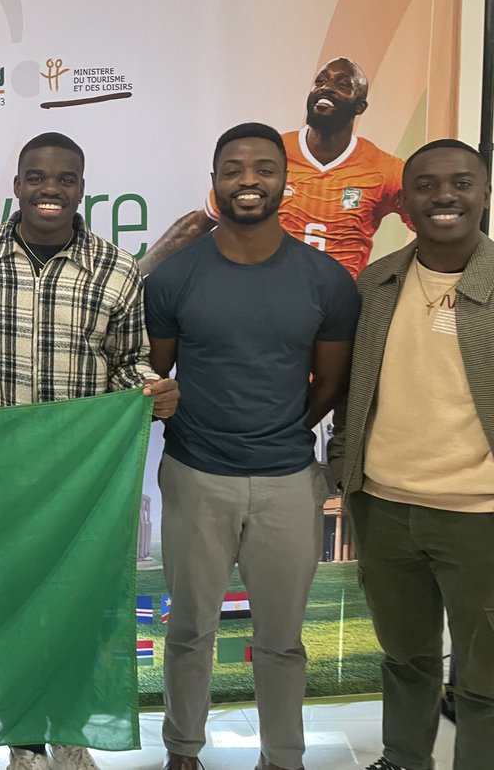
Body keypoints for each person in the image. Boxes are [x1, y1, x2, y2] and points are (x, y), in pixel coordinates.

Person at [0, 131, 179, 770]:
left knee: (80, 605)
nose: (51, 189)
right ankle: (24, 742)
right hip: (1, 469)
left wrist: (152, 390)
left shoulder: (117, 269)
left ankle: (72, 729)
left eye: (66, 178)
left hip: (84, 476)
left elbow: (130, 360)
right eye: (37, 177)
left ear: (82, 187)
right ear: (17, 184)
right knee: (10, 605)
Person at [144, 122, 359, 770]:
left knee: (281, 640)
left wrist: (282, 430)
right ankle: (183, 752)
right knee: (188, 632)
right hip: (194, 476)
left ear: (284, 182)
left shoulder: (326, 281)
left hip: (288, 483)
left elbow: (329, 382)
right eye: (233, 168)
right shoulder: (174, 277)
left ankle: (282, 758)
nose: (247, 180)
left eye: (263, 168)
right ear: (214, 182)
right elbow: (158, 376)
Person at [329, 139, 494, 770]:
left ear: (483, 193)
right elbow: (352, 390)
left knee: (483, 678)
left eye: (460, 183)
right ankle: (403, 760)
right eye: (425, 185)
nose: (443, 197)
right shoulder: (378, 280)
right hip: (386, 507)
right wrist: (346, 472)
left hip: (479, 514)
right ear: (405, 201)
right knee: (405, 658)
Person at [139, 58, 408, 278]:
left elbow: (433, 229)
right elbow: (196, 224)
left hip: (339, 310)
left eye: (342, 84)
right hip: (267, 296)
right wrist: (135, 275)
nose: (326, 88)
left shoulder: (385, 170)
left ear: (360, 106)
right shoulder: (270, 154)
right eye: (320, 81)